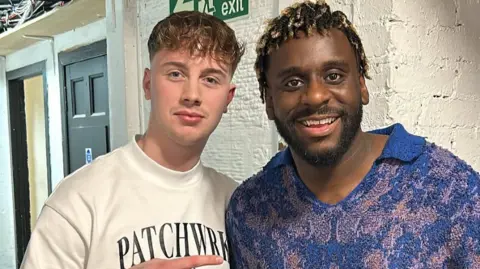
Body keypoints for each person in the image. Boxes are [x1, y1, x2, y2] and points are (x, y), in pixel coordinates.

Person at [226, 1, 480, 268]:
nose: (315, 96)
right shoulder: (249, 208)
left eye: (334, 76)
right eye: (293, 82)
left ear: (361, 85)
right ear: (269, 101)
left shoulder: (450, 190)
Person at [21, 10, 244, 269]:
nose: (192, 94)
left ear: (228, 98)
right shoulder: (78, 200)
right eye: (175, 74)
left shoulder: (237, 203)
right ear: (148, 85)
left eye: (210, 79)